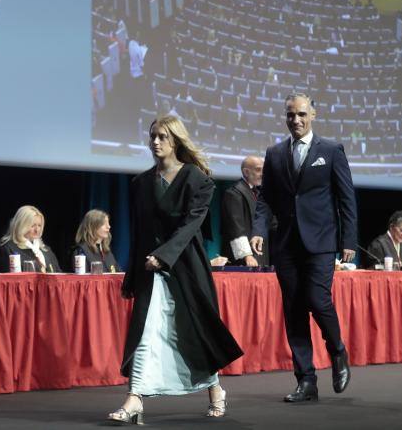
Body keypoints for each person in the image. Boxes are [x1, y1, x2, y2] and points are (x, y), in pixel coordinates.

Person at [108, 116, 243, 423]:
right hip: (149, 270)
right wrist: (133, 274)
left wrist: (164, 256)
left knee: (194, 332)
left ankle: (215, 390)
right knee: (146, 332)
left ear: (176, 141)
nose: (155, 142)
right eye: (152, 136)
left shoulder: (198, 180)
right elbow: (139, 232)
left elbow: (190, 225)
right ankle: (134, 399)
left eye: (162, 137)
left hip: (186, 267)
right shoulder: (140, 183)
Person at [251, 94, 357, 402]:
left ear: (313, 114)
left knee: (317, 299)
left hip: (321, 241)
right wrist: (258, 230)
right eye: (290, 115)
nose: (295, 120)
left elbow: (346, 198)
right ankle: (306, 380)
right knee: (294, 309)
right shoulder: (274, 153)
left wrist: (348, 240)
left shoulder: (332, 150)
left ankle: (337, 350)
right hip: (285, 244)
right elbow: (266, 198)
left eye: (300, 114)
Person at [221, 156, 272, 267]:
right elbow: (235, 227)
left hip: (261, 255)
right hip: (243, 259)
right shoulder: (234, 194)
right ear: (246, 172)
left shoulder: (260, 193)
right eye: (258, 170)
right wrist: (246, 255)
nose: (262, 174)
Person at [0, 205, 62, 273]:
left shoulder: (46, 250)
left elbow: (59, 275)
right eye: (33, 225)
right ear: (21, 225)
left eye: (39, 225)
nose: (37, 230)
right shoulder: (9, 249)